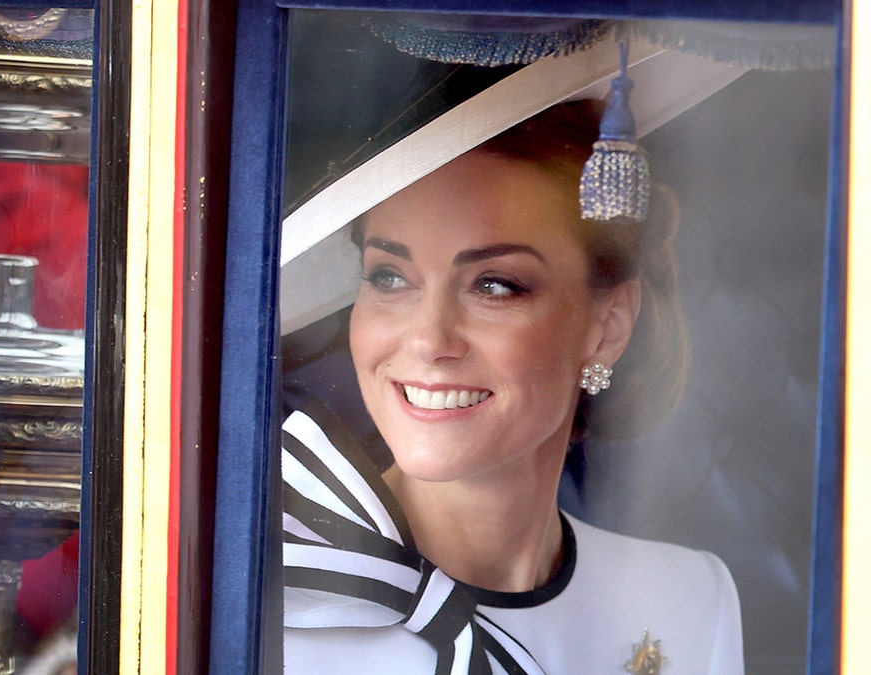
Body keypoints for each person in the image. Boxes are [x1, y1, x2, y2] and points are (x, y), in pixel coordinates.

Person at [281, 100, 743, 674]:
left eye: (494, 285)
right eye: (390, 277)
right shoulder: (265, 597)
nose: (429, 340)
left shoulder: (690, 601)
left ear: (607, 327)